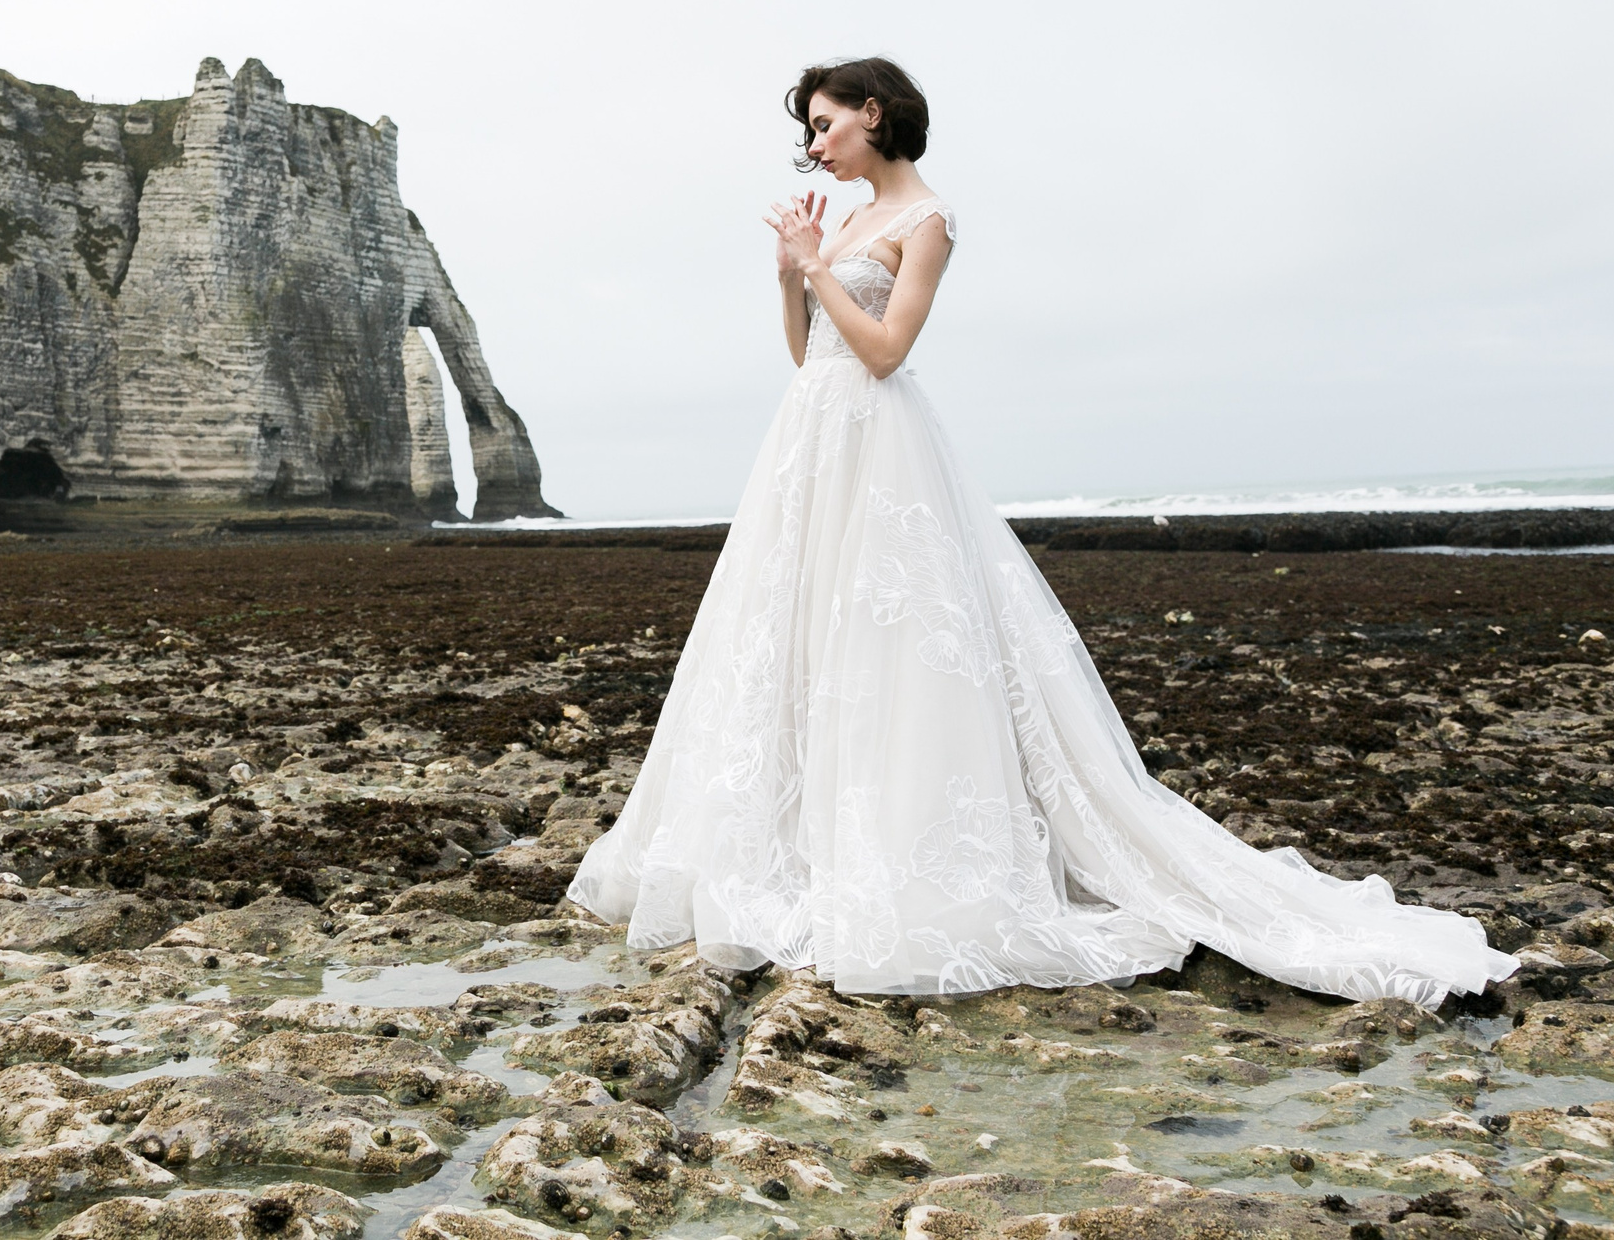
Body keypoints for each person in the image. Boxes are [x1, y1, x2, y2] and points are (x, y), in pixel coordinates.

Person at [566, 57, 1515, 1008]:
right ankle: (805, 843)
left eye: (823, 123)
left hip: (879, 446)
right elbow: (807, 352)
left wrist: (817, 268)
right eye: (808, 130)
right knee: (797, 639)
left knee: (889, 642)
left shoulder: (924, 221)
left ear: (874, 112)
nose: (813, 144)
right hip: (810, 444)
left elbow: (887, 353)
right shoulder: (846, 222)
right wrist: (790, 278)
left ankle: (905, 852)